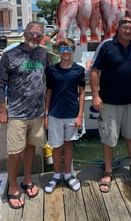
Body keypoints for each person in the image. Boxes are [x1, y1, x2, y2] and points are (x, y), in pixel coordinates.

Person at [0, 21, 48, 209]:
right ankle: (13, 186)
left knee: (32, 148)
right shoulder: (9, 55)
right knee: (15, 152)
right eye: (32, 34)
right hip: (17, 113)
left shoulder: (43, 53)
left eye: (39, 35)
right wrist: (2, 110)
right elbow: (0, 84)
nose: (35, 37)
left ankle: (27, 179)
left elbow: (47, 78)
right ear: (25, 34)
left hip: (37, 112)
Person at [90, 16, 131, 193]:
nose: (128, 31)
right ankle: (108, 171)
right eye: (125, 27)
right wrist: (96, 96)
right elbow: (94, 70)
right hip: (109, 102)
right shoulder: (106, 45)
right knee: (109, 139)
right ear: (117, 28)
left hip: (129, 101)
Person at [44, 38, 85, 193]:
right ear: (58, 52)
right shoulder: (51, 70)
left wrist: (80, 115)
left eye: (68, 49)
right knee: (56, 147)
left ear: (73, 50)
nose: (65, 52)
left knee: (68, 146)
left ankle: (68, 175)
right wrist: (46, 114)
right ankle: (55, 175)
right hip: (55, 114)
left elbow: (81, 94)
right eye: (62, 49)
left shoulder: (79, 70)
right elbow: (49, 92)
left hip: (72, 114)